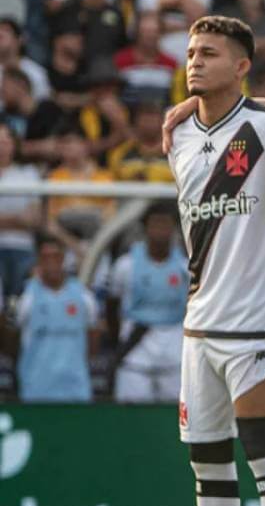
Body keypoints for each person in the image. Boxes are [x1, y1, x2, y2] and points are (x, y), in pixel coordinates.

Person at [154, 15, 265, 506]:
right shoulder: (180, 135)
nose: (195, 62)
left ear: (241, 65)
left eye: (210, 53)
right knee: (206, 459)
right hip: (198, 324)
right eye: (191, 52)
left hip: (256, 322)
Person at [107, 202, 187, 402]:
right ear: (145, 229)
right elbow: (112, 307)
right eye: (155, 225)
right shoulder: (126, 266)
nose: (160, 231)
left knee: (178, 419)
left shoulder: (186, 268)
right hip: (136, 354)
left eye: (165, 225)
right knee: (130, 418)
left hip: (175, 356)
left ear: (174, 229)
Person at [16, 233, 97, 402]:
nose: (51, 262)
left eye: (56, 256)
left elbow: (93, 336)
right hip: (36, 389)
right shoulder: (27, 298)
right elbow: (14, 341)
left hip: (75, 388)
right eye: (45, 257)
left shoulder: (84, 296)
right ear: (38, 260)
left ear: (64, 259)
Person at [52, 0, 127, 60]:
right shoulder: (68, 10)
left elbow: (122, 45)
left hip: (108, 69)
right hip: (74, 69)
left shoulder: (115, 13)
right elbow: (55, 40)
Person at [0, 123, 39, 300]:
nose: (2, 146)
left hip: (22, 247)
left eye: (6, 141)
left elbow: (33, 219)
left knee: (18, 305)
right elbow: (24, 219)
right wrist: (18, 218)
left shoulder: (28, 173)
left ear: (14, 144)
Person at [114, 11, 178, 106]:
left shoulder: (171, 64)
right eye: (145, 32)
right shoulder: (120, 60)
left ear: (161, 34)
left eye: (154, 31)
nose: (150, 36)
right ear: (137, 33)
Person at [107, 101, 171, 182]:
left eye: (153, 119)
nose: (149, 124)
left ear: (163, 122)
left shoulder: (174, 154)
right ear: (135, 122)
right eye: (145, 119)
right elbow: (112, 184)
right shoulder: (120, 153)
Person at [0, 18, 51, 102]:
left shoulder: (36, 73)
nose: (0, 33)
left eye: (6, 30)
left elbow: (42, 105)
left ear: (20, 40)